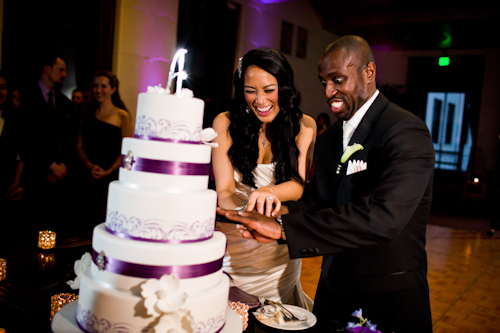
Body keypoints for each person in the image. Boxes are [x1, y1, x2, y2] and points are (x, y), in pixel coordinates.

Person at [217, 35, 435, 333]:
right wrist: (276, 215)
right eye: (324, 82)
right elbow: (317, 202)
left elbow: (385, 218)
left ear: (368, 73)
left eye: (338, 80)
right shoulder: (332, 137)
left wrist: (284, 229)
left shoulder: (405, 130)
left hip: (386, 297)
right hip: (333, 293)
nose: (329, 91)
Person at [212, 48, 316, 309]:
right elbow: (224, 190)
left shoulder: (304, 125)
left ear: (284, 87)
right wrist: (246, 213)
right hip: (236, 241)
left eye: (269, 90)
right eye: (250, 91)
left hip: (277, 247)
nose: (260, 100)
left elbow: (297, 186)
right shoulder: (224, 123)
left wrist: (271, 193)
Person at [17, 53, 76, 236]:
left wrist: (63, 166)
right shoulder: (25, 96)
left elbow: (68, 137)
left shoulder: (64, 102)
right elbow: (25, 138)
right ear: (47, 69)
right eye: (61, 69)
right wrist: (50, 166)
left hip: (61, 177)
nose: (65, 75)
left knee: (55, 230)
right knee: (31, 230)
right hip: (35, 174)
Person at [76, 70, 132, 232]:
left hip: (110, 178)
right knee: (81, 223)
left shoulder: (122, 115)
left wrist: (109, 171)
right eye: (95, 86)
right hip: (85, 175)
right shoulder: (86, 112)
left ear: (113, 89)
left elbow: (127, 150)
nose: (98, 90)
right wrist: (88, 165)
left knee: (102, 225)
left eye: (103, 86)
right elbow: (79, 145)